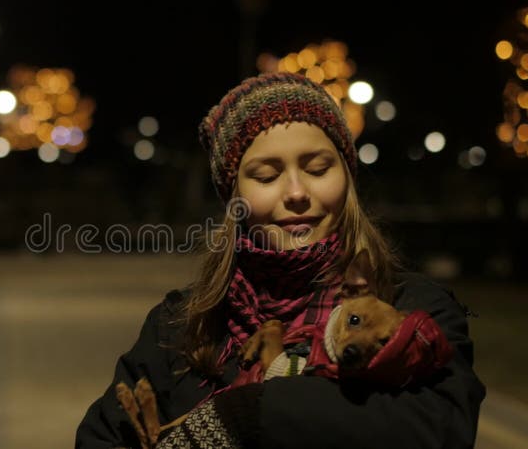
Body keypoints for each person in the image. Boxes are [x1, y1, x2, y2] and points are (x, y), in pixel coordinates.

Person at [75, 72, 486, 448]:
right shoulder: (179, 323)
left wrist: (248, 411)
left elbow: (440, 428)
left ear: (348, 179)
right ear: (234, 199)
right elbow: (102, 438)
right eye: (266, 176)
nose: (295, 192)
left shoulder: (413, 307)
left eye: (318, 168)